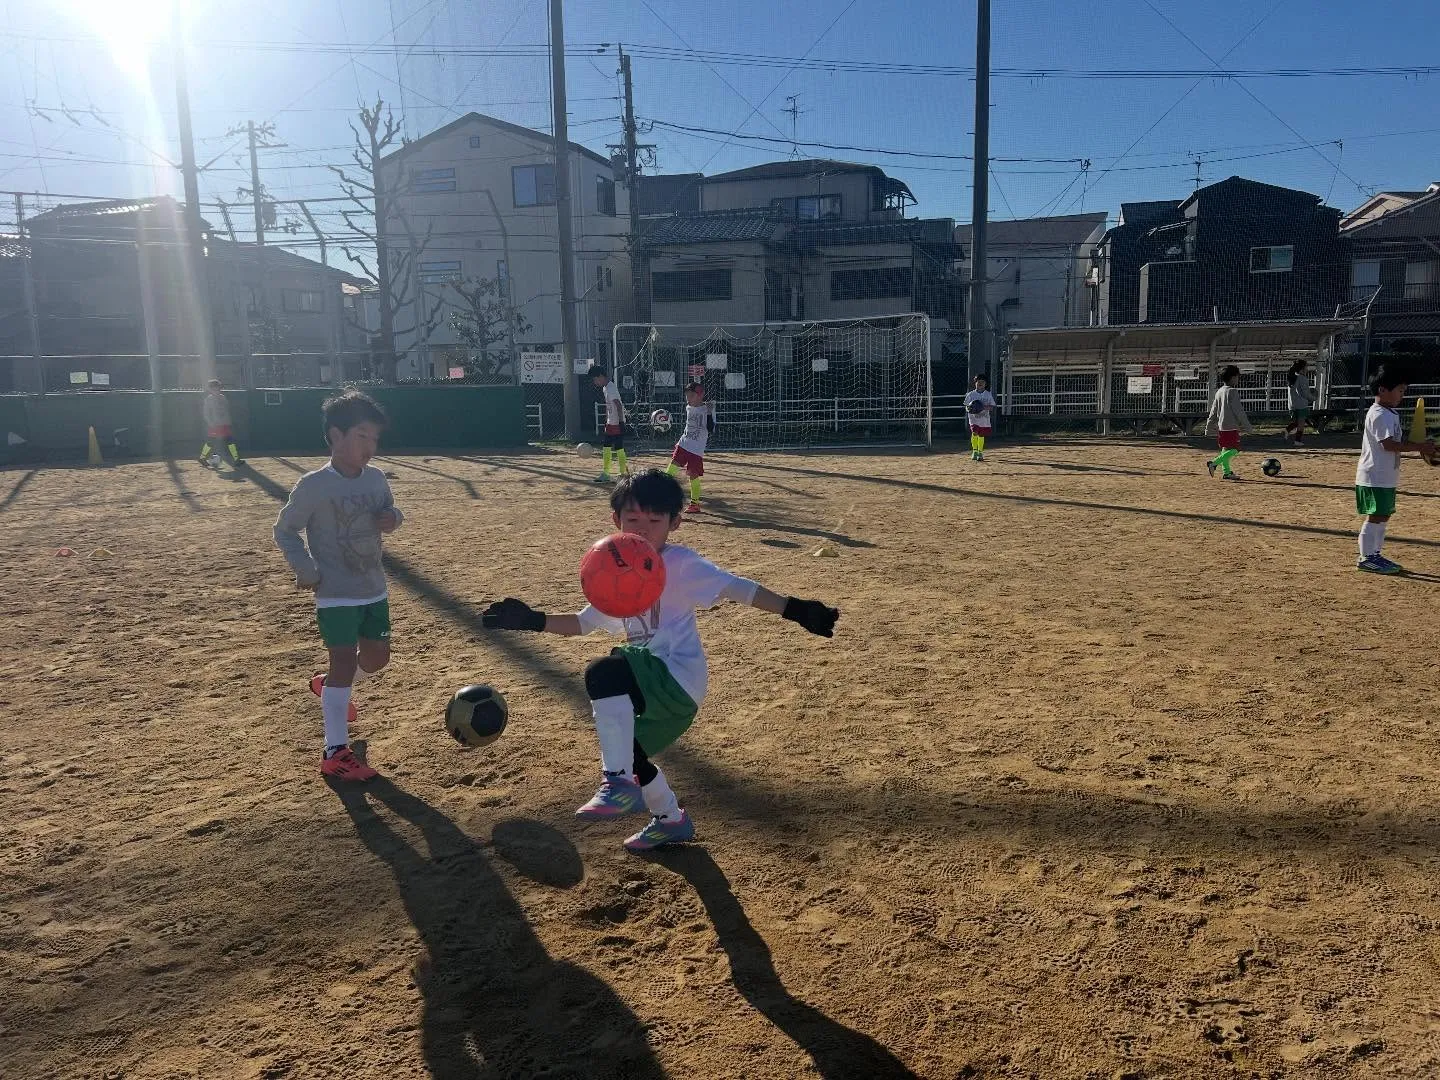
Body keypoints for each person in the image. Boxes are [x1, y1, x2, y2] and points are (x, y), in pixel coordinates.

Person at [481, 469, 839, 853]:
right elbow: (584, 623)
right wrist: (533, 620)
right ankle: (670, 819)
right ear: (616, 520)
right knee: (629, 751)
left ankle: (617, 782)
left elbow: (736, 587)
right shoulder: (614, 569)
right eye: (633, 518)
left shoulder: (679, 563)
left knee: (604, 673)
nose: (643, 528)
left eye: (655, 520)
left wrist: (795, 609)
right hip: (659, 690)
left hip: (676, 676)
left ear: (674, 523)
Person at [273, 390, 404, 781]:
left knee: (377, 659)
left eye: (374, 438)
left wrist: (392, 518)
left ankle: (329, 687)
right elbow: (285, 530)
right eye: (362, 436)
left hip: (373, 587)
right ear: (335, 435)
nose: (370, 446)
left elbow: (390, 511)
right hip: (335, 593)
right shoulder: (314, 485)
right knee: (344, 662)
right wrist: (306, 568)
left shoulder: (376, 478)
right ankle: (335, 752)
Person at [1355, 365, 1434, 575]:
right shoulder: (1379, 414)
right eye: (1399, 390)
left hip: (1385, 475)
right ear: (1382, 390)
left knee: (1383, 515)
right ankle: (1366, 557)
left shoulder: (1390, 413)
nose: (1402, 394)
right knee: (1376, 515)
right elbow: (1388, 445)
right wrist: (1419, 447)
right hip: (1374, 475)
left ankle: (1375, 554)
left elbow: (1397, 441)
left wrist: (1422, 445)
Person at [666, 382, 713, 515]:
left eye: (691, 395)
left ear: (700, 395)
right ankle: (661, 495)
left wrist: (709, 412)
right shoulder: (689, 407)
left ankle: (695, 504)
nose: (688, 398)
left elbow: (711, 428)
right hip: (683, 444)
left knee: (693, 476)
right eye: (687, 395)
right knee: (670, 471)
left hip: (696, 449)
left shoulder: (707, 409)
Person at [1204, 365, 1254, 480]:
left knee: (1225, 449)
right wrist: (1247, 426)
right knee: (1236, 449)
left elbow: (1213, 411)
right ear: (1233, 377)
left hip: (1221, 427)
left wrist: (1208, 427)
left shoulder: (1219, 391)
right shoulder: (1232, 392)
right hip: (1231, 427)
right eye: (1237, 377)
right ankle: (1214, 463)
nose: (1238, 379)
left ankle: (1227, 472)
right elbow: (1239, 411)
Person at [590, 365, 628, 485]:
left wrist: (621, 422)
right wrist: (607, 421)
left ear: (601, 376)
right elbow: (609, 406)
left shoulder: (611, 387)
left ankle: (622, 474)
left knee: (618, 448)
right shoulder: (605, 388)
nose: (595, 382)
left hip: (616, 423)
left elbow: (618, 405)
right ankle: (607, 473)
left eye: (595, 379)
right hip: (611, 423)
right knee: (607, 447)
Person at [198, 378, 242, 467]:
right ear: (210, 389)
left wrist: (228, 422)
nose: (216, 390)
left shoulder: (223, 397)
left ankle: (236, 459)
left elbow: (226, 410)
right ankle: (202, 458)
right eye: (214, 388)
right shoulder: (208, 399)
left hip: (225, 424)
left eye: (218, 388)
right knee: (210, 442)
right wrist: (210, 423)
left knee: (230, 441)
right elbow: (206, 413)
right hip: (215, 425)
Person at [963, 374, 997, 461]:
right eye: (978, 382)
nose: (980, 383)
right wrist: (970, 408)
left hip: (984, 419)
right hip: (974, 418)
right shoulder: (971, 394)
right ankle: (974, 451)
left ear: (985, 384)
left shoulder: (988, 395)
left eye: (982, 382)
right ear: (975, 383)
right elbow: (966, 406)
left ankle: (980, 452)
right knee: (974, 433)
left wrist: (982, 407)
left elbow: (992, 407)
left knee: (981, 435)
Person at [1285, 359, 1317, 445]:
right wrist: (1313, 398)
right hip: (1301, 404)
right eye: (1306, 366)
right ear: (1302, 368)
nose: (1307, 369)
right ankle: (1297, 440)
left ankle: (1288, 430)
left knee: (1297, 422)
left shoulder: (1293, 377)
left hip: (1292, 404)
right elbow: (1304, 393)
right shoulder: (1302, 378)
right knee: (1301, 424)